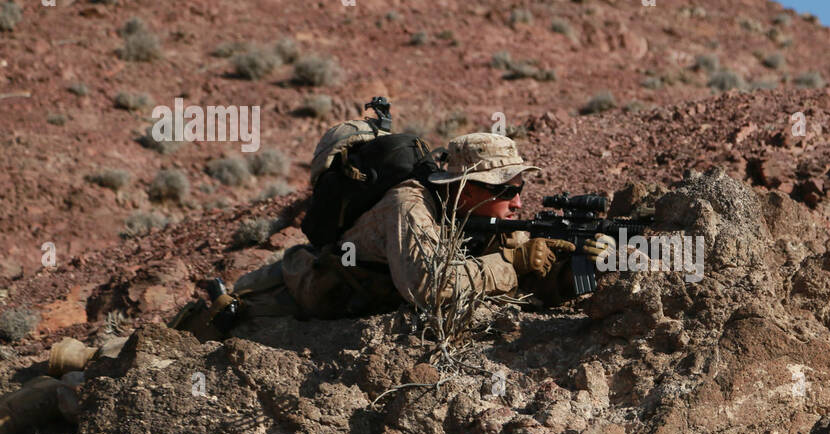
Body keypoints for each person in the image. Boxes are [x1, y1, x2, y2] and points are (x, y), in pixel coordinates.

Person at [177, 133, 615, 335]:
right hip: (309, 289)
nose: (517, 200)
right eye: (504, 189)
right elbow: (429, 286)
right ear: (462, 189)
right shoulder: (409, 205)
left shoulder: (486, 215)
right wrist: (508, 265)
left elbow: (531, 275)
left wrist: (580, 264)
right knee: (226, 316)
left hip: (366, 295)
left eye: (519, 188)